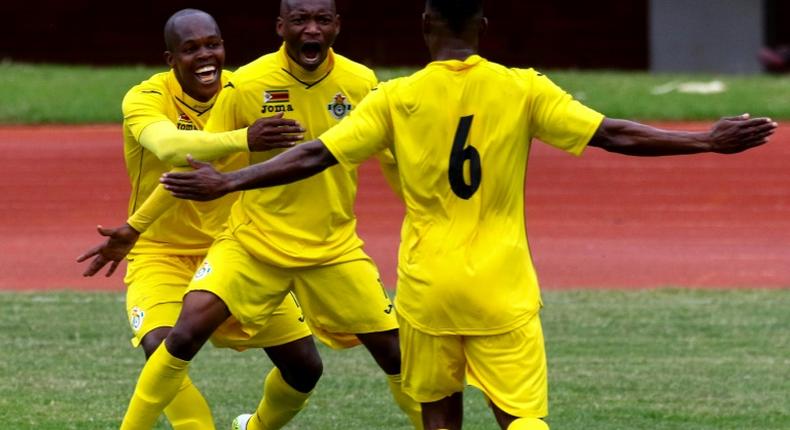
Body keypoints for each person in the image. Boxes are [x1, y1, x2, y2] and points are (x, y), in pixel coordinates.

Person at [158, 0, 778, 429]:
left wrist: (227, 179)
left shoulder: (394, 97)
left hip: (429, 288)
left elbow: (315, 154)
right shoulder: (522, 88)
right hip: (502, 285)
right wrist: (705, 140)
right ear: (483, 23)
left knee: (438, 412)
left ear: (425, 24)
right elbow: (613, 134)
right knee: (521, 415)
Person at [114, 1, 422, 429]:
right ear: (281, 27)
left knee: (347, 362)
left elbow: (389, 154)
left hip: (330, 248)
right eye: (300, 20)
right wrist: (135, 228)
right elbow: (184, 162)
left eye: (213, 45)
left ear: (337, 25)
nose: (205, 57)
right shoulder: (236, 87)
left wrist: (428, 209)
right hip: (235, 245)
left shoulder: (359, 81)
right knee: (175, 339)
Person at [76, 9, 323, 430]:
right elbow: (172, 149)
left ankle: (254, 427)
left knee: (305, 368)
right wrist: (245, 138)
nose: (206, 56)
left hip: (237, 250)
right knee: (163, 346)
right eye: (190, 49)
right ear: (171, 59)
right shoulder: (145, 98)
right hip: (161, 253)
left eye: (213, 44)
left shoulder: (243, 90)